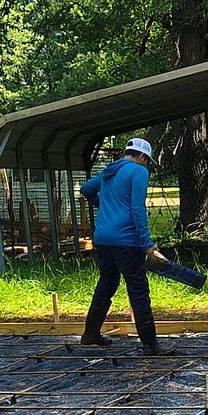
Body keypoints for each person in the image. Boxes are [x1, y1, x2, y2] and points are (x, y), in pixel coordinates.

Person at [77, 137, 164, 355]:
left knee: (107, 283)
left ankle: (90, 334)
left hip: (104, 239)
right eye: (147, 161)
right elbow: (137, 209)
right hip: (126, 240)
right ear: (142, 156)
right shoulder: (138, 172)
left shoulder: (109, 171)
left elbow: (87, 189)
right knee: (138, 289)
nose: (147, 165)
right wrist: (147, 244)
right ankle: (151, 345)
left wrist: (103, 207)